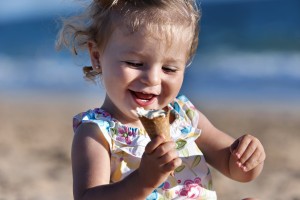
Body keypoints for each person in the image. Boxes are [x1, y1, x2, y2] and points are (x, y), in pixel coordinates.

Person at [57, 0, 266, 199]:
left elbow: (234, 167)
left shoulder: (184, 116)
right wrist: (143, 181)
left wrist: (249, 157)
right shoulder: (97, 133)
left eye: (169, 68)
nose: (153, 79)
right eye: (135, 63)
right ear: (96, 57)